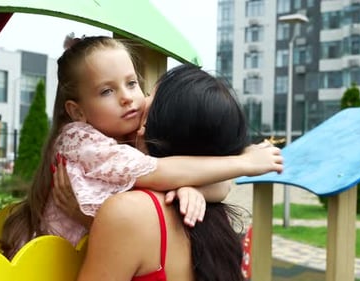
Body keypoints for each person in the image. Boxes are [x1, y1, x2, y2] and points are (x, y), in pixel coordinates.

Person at [0, 36, 283, 259]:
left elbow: (218, 186)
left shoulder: (127, 140)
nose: (127, 98)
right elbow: (160, 172)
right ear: (77, 111)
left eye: (132, 83)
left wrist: (192, 188)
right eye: (107, 91)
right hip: (48, 263)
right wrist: (245, 163)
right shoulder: (78, 140)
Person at [77, 64, 263, 281]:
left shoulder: (128, 212)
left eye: (147, 95)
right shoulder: (211, 213)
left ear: (146, 123)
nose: (133, 101)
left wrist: (81, 217)